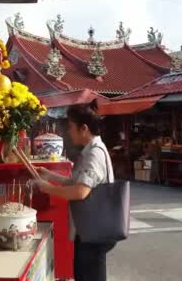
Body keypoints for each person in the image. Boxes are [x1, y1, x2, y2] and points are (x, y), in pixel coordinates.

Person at [34, 100, 115, 281]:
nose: (69, 132)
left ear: (84, 128)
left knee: (88, 276)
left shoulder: (94, 154)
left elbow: (80, 191)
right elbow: (75, 182)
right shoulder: (91, 150)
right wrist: (51, 176)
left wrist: (47, 188)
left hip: (94, 229)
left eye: (71, 127)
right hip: (91, 228)